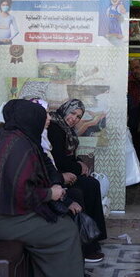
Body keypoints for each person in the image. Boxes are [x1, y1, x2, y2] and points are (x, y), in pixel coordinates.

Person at [0, 99, 101, 277]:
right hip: (5, 220)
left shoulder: (19, 140)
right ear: (30, 119)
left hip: (7, 213)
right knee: (64, 231)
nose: (47, 119)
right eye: (42, 115)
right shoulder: (19, 147)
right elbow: (21, 192)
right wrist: (50, 194)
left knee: (63, 219)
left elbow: (42, 174)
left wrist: (58, 193)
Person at [46, 99, 107, 263]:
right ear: (65, 109)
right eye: (73, 113)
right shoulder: (54, 127)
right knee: (84, 189)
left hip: (63, 172)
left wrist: (79, 162)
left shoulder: (64, 128)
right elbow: (59, 160)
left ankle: (95, 234)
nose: (74, 118)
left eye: (78, 117)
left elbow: (69, 157)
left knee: (92, 184)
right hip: (56, 176)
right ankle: (88, 244)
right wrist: (79, 167)